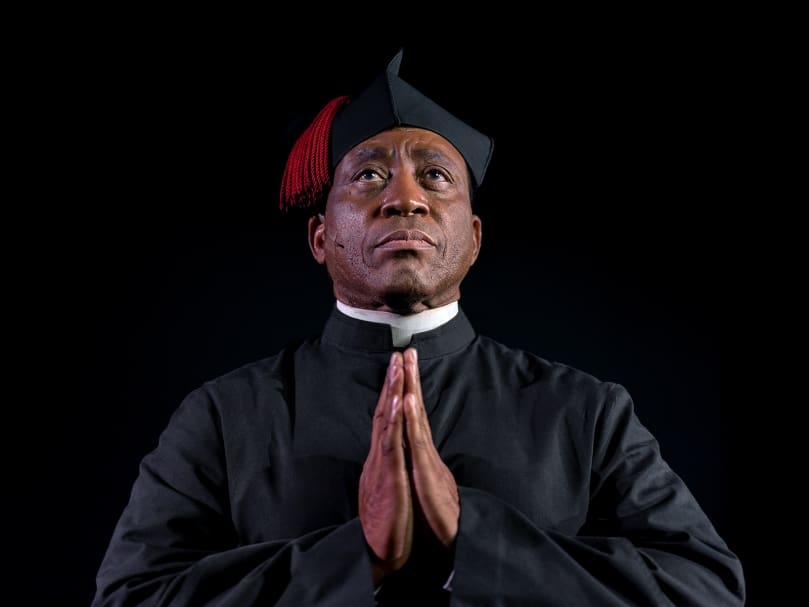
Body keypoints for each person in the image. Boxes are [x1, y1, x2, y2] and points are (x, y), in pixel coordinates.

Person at [92, 50, 744, 606]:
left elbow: (705, 588)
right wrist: (358, 553)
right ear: (320, 235)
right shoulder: (222, 416)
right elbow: (129, 596)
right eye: (369, 173)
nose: (404, 196)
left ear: (474, 237)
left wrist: (475, 536)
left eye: (435, 176)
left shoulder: (584, 410)